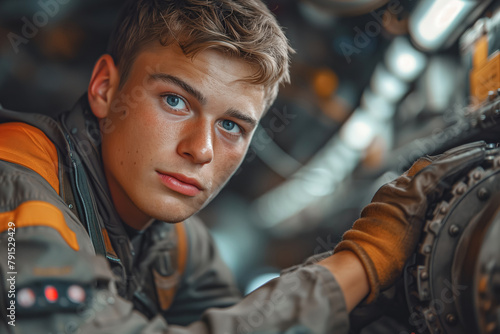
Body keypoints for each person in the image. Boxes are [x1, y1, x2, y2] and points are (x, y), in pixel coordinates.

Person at [0, 0, 488, 333]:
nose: (202, 149)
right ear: (105, 88)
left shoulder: (177, 244)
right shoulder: (17, 180)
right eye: (174, 100)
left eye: (232, 126)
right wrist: (359, 263)